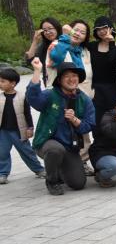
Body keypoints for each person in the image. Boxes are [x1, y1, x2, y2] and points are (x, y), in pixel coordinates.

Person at [27, 59, 96, 195]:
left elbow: (89, 125)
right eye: (67, 76)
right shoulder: (50, 95)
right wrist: (37, 71)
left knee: (78, 183)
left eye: (74, 76)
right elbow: (33, 99)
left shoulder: (84, 99)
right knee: (55, 150)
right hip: (47, 142)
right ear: (59, 80)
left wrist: (75, 120)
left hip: (70, 146)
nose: (72, 79)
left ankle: (58, 169)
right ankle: (52, 181)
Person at [0, 67, 45, 185]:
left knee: (27, 151)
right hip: (3, 131)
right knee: (2, 153)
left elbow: (27, 114)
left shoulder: (22, 97)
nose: (0, 83)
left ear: (13, 83)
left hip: (19, 131)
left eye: (3, 81)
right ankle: (3, 173)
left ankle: (39, 169)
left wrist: (30, 128)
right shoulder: (0, 97)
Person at [88, 17, 116, 122]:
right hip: (94, 89)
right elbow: (78, 39)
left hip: (112, 89)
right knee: (96, 120)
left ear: (111, 28)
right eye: (98, 29)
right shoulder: (91, 46)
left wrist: (111, 42)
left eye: (104, 28)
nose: (101, 31)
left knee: (111, 120)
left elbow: (114, 62)